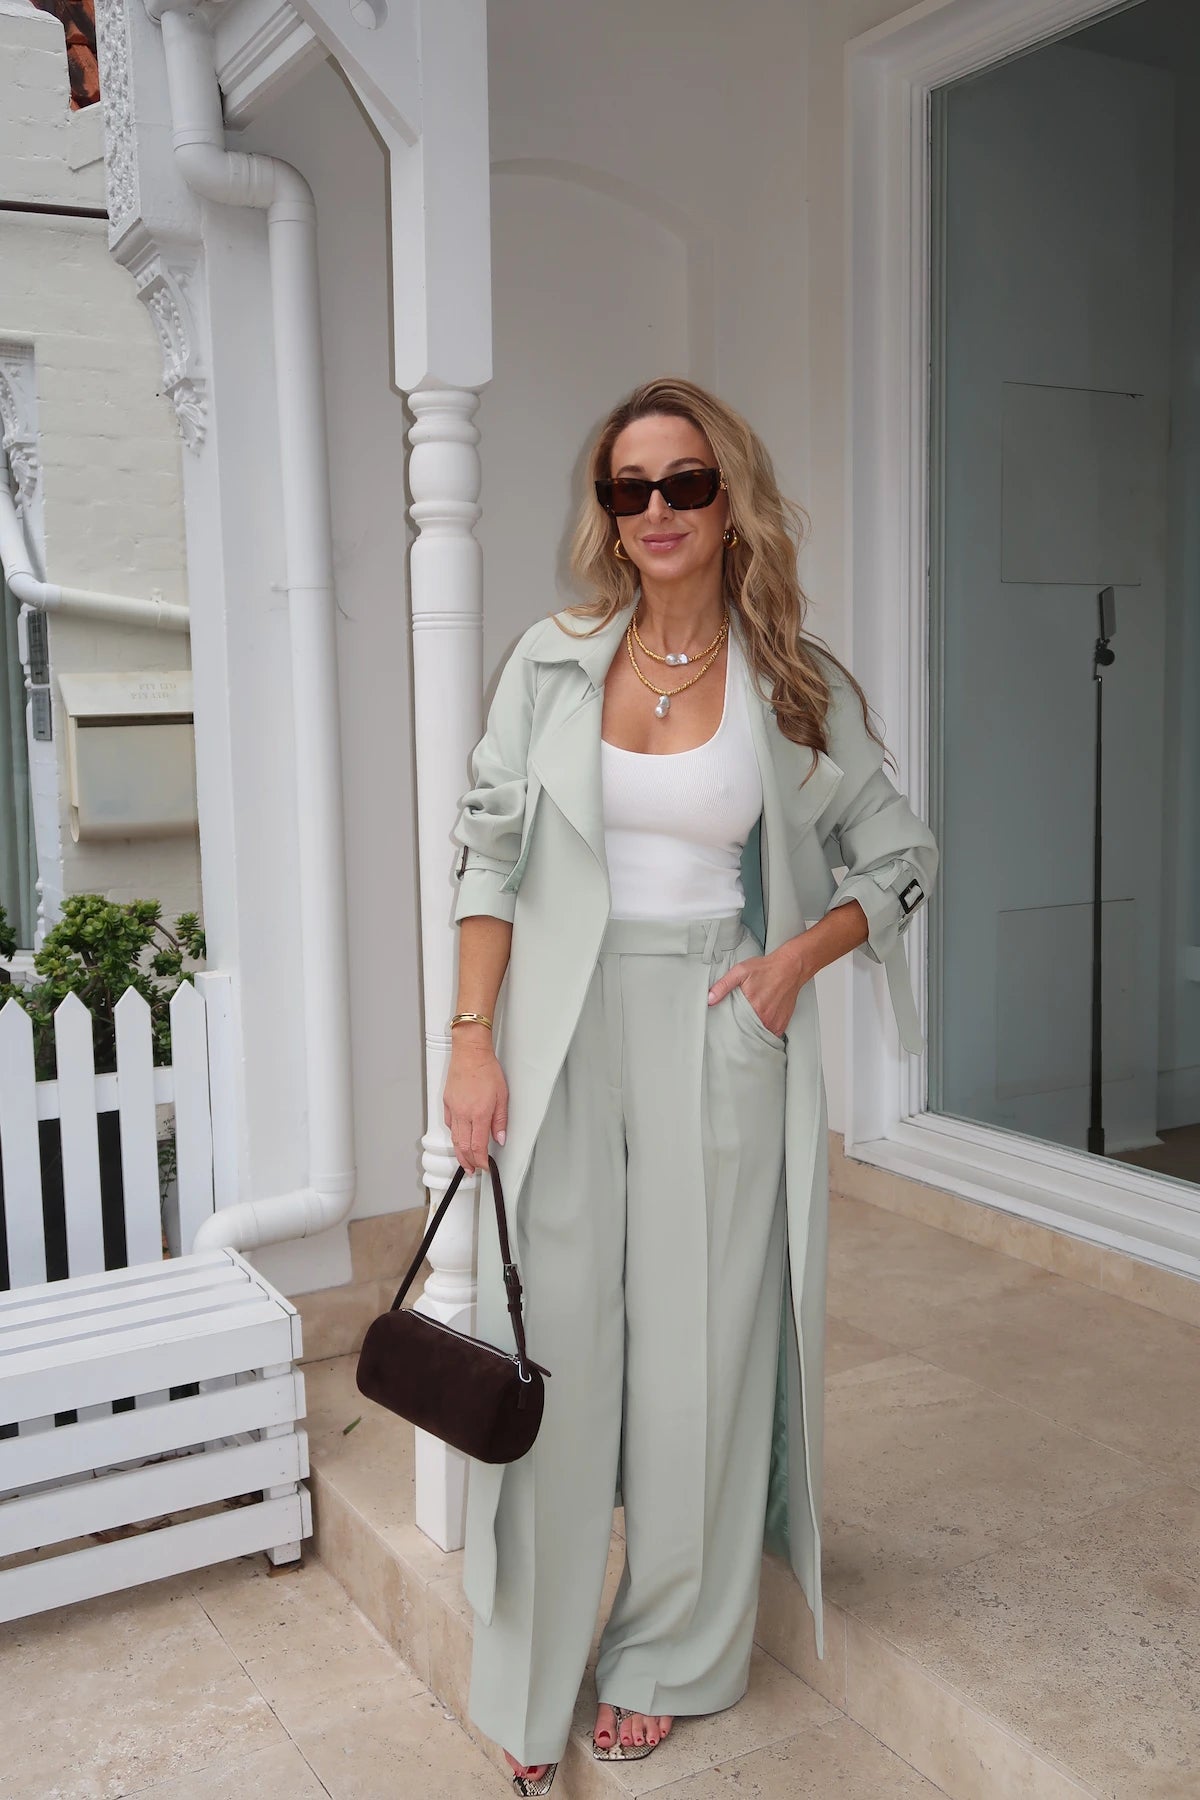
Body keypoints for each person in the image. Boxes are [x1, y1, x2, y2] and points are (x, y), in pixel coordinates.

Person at [443, 376, 939, 1795]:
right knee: (555, 1349)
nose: (655, 512)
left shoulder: (796, 685)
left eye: (683, 484)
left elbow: (904, 859)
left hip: (719, 1025)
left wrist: (797, 962)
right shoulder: (551, 663)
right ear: (607, 513)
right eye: (628, 489)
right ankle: (531, 1675)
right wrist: (471, 1040)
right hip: (561, 1027)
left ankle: (669, 1649)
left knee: (697, 1360)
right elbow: (487, 858)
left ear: (732, 503)